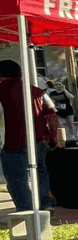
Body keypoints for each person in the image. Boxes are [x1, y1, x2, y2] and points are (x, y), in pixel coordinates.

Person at [0, 60, 62, 211]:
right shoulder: (37, 91)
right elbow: (52, 115)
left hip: (10, 140)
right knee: (41, 170)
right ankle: (46, 203)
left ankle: (25, 208)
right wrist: (54, 136)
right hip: (38, 138)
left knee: (17, 177)